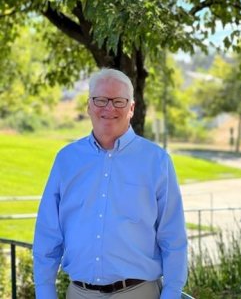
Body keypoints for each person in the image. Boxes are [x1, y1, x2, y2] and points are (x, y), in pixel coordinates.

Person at [33, 68, 188, 299]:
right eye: (101, 100)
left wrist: (172, 293)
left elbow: (173, 237)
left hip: (139, 293)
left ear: (132, 108)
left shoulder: (157, 161)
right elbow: (48, 234)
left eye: (118, 101)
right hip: (79, 293)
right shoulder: (66, 160)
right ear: (88, 106)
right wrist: (45, 292)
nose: (109, 108)